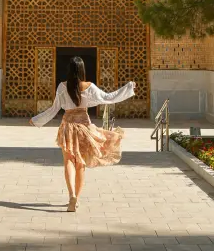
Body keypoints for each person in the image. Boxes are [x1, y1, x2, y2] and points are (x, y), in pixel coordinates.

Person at [29, 55, 136, 212]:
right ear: (82, 70)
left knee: (68, 161)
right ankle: (76, 199)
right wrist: (129, 87)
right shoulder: (89, 87)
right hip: (84, 127)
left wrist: (36, 120)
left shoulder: (61, 87)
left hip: (67, 126)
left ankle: (71, 195)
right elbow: (108, 97)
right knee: (81, 164)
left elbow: (54, 109)